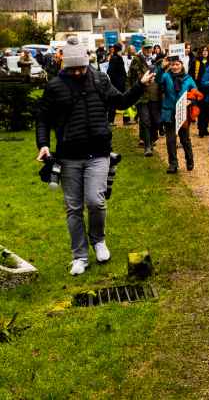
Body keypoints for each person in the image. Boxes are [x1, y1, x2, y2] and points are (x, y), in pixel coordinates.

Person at [35, 37, 155, 275]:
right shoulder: (55, 86)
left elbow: (121, 102)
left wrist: (140, 86)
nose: (78, 72)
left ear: (87, 62)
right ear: (65, 65)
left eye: (81, 67)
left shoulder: (100, 79)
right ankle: (79, 256)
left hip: (99, 152)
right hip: (69, 156)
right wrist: (43, 145)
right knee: (74, 208)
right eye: (73, 69)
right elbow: (43, 118)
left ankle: (98, 240)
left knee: (95, 201)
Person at [157, 55, 198, 174]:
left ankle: (189, 160)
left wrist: (191, 100)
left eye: (177, 64)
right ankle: (173, 164)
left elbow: (195, 92)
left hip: (182, 112)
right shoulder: (166, 76)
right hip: (169, 111)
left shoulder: (188, 78)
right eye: (173, 65)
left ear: (181, 65)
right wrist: (161, 68)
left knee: (184, 139)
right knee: (170, 140)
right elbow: (157, 80)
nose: (175, 67)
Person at [128, 41, 161, 157]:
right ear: (142, 48)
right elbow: (130, 77)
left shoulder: (157, 60)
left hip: (155, 95)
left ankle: (152, 140)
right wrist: (130, 95)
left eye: (150, 48)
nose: (148, 50)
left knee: (156, 121)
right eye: (146, 48)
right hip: (141, 96)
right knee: (145, 120)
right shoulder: (136, 60)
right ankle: (147, 146)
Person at [189, 46, 209, 137]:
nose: (205, 52)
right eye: (203, 51)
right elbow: (191, 75)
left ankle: (205, 128)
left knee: (207, 110)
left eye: (206, 50)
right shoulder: (196, 62)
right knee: (201, 110)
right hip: (199, 90)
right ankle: (201, 129)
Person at [106, 43, 127, 125]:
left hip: (121, 83)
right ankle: (110, 120)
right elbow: (109, 71)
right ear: (120, 49)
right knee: (114, 102)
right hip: (117, 84)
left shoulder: (118, 57)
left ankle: (126, 119)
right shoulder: (115, 58)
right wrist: (117, 79)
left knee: (124, 101)